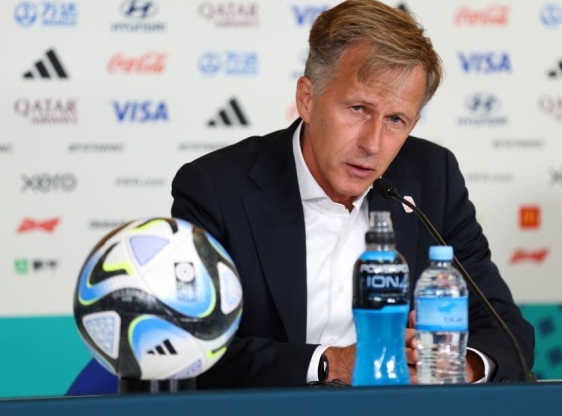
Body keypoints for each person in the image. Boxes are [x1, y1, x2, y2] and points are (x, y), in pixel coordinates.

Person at [67, 0, 533, 393]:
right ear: (307, 99)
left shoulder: (432, 177)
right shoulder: (216, 188)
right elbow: (193, 348)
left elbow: (507, 331)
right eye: (358, 109)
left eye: (396, 120)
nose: (373, 144)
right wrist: (331, 364)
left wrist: (453, 366)